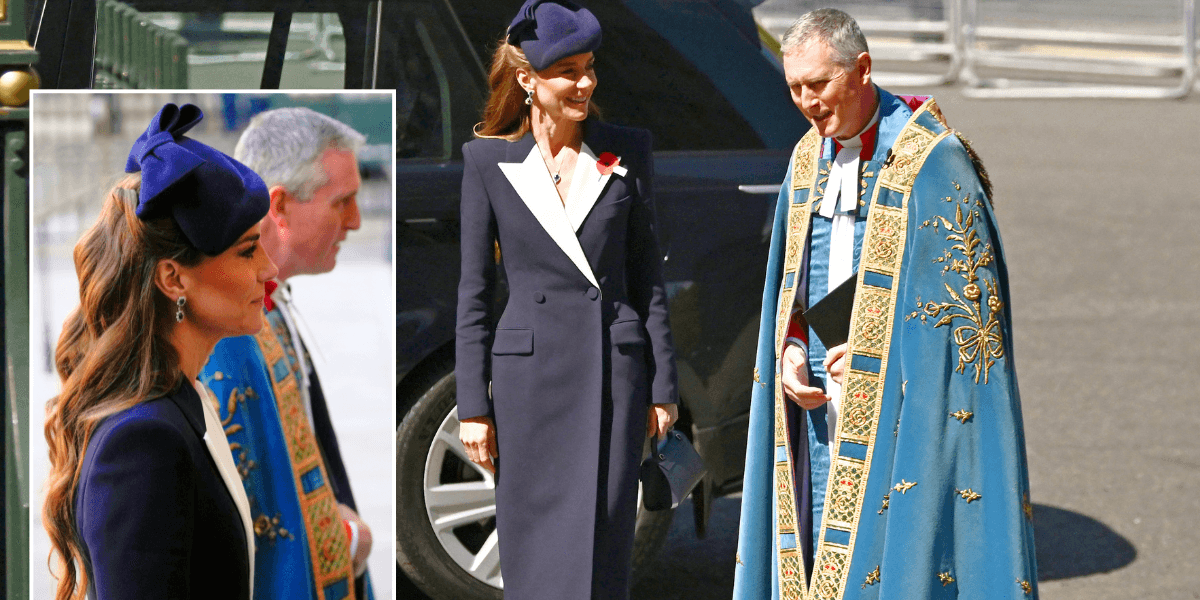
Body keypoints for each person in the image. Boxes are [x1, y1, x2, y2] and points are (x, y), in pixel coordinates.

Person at [733, 9, 1038, 599]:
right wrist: (792, 347)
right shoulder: (805, 158)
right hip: (818, 414)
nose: (805, 102)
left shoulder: (933, 160)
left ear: (863, 69)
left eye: (817, 84)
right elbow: (793, 283)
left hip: (904, 413)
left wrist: (883, 354)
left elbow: (968, 328)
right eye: (794, 87)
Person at [455, 1, 680, 598]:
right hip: (531, 381)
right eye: (568, 71)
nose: (585, 83)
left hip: (614, 374)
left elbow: (646, 280)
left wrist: (663, 389)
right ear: (528, 79)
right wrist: (473, 406)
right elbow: (474, 293)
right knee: (533, 540)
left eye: (590, 67)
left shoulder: (626, 150)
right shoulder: (487, 161)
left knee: (605, 539)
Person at [42, 103, 276, 599]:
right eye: (248, 250)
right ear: (173, 278)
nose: (269, 268)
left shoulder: (180, 401)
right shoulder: (144, 440)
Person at [198, 107, 374, 600]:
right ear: (279, 205)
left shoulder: (268, 302)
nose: (356, 221)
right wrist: (347, 539)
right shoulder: (231, 329)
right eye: (342, 202)